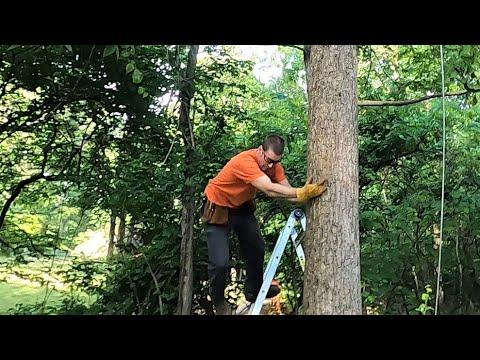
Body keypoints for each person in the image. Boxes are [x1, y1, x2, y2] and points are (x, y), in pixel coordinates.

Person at [201, 134, 327, 315]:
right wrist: (300, 192)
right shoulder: (245, 162)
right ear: (260, 150)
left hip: (241, 208)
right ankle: (218, 300)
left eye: (275, 162)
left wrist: (305, 194)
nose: (270, 166)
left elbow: (288, 192)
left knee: (257, 247)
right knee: (220, 263)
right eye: (268, 160)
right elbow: (269, 189)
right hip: (218, 209)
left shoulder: (274, 166)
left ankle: (253, 291)